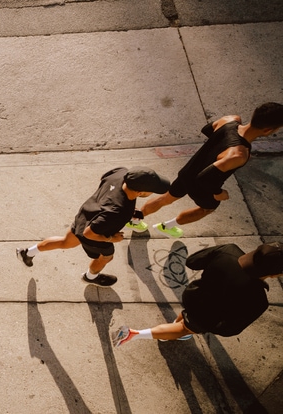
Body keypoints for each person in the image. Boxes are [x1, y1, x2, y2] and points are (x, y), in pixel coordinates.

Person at [127, 102, 283, 238]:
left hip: (188, 171)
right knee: (205, 209)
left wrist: (216, 149)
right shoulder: (238, 155)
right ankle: (165, 227)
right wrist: (219, 193)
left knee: (166, 198)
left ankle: (135, 218)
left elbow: (208, 129)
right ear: (268, 130)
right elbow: (204, 179)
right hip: (201, 188)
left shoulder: (230, 120)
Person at [16, 167, 171, 287]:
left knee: (65, 242)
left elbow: (104, 181)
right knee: (106, 257)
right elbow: (90, 234)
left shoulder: (121, 173)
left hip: (86, 215)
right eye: (152, 190)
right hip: (95, 235)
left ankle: (27, 252)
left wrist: (124, 208)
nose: (153, 192)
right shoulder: (117, 211)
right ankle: (91, 277)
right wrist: (112, 238)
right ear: (140, 192)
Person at [113, 242, 283, 347]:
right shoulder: (258, 299)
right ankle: (134, 334)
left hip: (193, 295)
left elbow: (192, 261)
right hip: (206, 316)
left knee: (186, 317)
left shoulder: (229, 250)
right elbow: (231, 329)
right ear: (275, 274)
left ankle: (179, 323)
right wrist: (212, 326)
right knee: (182, 329)